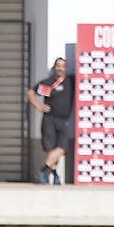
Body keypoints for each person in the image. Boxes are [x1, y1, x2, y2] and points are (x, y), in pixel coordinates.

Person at [25, 56, 74, 185]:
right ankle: (55, 174)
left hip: (63, 120)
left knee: (62, 147)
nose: (60, 69)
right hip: (49, 119)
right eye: (58, 66)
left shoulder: (70, 82)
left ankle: (43, 169)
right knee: (50, 148)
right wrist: (38, 106)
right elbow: (31, 92)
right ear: (54, 67)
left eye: (63, 66)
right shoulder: (49, 83)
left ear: (66, 68)